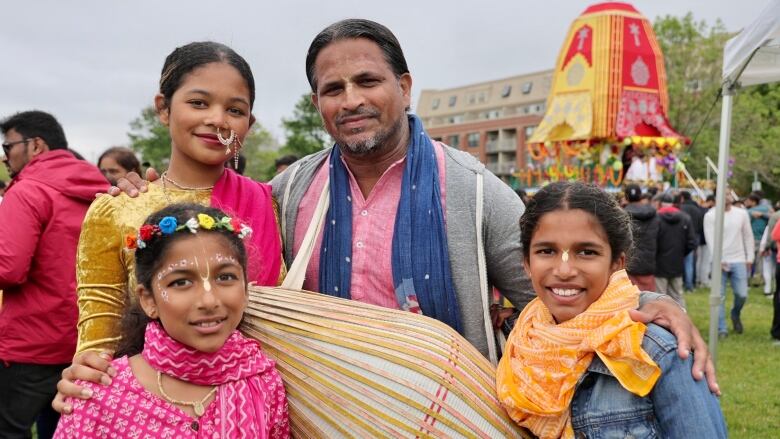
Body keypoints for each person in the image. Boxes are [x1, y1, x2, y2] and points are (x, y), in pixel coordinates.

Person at [108, 18, 716, 387]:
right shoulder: (291, 192)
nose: (351, 100)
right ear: (317, 103)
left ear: (402, 86)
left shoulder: (472, 189)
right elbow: (218, 249)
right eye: (332, 89)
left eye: (368, 82)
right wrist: (145, 192)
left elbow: (558, 282)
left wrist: (652, 304)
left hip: (447, 408)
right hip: (321, 407)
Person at [496, 182, 726, 438]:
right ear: (527, 263)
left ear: (617, 263)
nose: (564, 271)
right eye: (546, 251)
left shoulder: (658, 353)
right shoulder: (517, 343)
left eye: (586, 252)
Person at [54, 204, 288, 438]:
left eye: (225, 277)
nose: (208, 300)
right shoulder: (98, 395)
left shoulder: (264, 382)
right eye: (181, 282)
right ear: (148, 300)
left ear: (246, 290)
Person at [0, 111, 108, 438]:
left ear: (35, 145)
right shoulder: (102, 191)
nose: (5, 157)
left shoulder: (28, 190)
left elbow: (9, 269)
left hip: (30, 344)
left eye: (8, 147)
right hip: (87, 344)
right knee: (63, 430)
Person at [704, 193, 754, 337]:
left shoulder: (741, 214)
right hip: (720, 260)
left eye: (729, 193)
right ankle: (722, 328)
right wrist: (717, 259)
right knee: (718, 296)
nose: (728, 196)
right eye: (724, 193)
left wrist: (749, 257)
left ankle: (735, 313)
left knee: (742, 294)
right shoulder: (710, 215)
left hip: (738, 259)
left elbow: (747, 235)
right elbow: (710, 239)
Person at [655, 192, 696, 307]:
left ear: (660, 203)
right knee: (677, 295)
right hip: (677, 261)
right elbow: (692, 242)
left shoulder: (656, 217)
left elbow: (651, 241)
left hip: (659, 263)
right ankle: (682, 320)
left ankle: (661, 323)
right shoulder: (685, 218)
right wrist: (681, 253)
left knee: (660, 296)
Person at [623, 184, 659, 292]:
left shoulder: (621, 215)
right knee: (649, 302)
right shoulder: (653, 214)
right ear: (641, 196)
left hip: (629, 263)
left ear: (626, 197)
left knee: (629, 302)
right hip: (649, 263)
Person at [745, 192, 773, 293]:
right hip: (762, 239)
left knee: (749, 261)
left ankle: (747, 281)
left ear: (753, 202)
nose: (746, 202)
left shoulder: (749, 211)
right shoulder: (766, 209)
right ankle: (758, 281)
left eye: (747, 201)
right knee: (759, 262)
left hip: (752, 239)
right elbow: (772, 217)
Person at [679, 190, 705, 291]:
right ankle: (690, 284)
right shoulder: (697, 209)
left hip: (682, 236)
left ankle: (682, 282)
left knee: (681, 261)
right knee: (691, 261)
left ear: (682, 198)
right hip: (695, 237)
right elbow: (700, 224)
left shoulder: (681, 208)